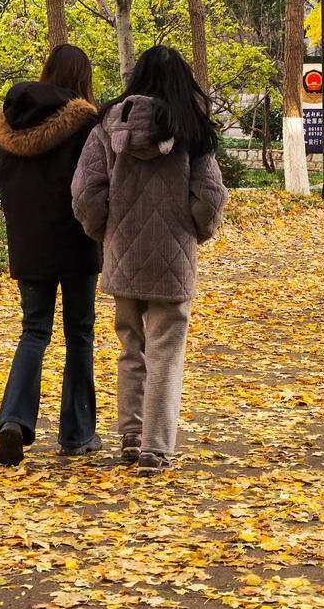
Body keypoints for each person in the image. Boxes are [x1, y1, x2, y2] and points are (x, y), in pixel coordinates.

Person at [72, 46, 228, 476]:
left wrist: (106, 231)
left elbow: (84, 193)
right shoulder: (191, 130)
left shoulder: (107, 126)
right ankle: (156, 448)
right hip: (174, 262)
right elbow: (211, 197)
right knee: (166, 352)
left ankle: (131, 434)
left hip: (123, 257)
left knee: (131, 348)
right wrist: (196, 231)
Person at [0, 45, 102, 466]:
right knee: (80, 334)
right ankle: (77, 434)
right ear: (81, 77)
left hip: (29, 244)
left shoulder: (11, 122)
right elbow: (91, 184)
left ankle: (13, 420)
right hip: (76, 241)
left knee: (34, 331)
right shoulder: (85, 123)